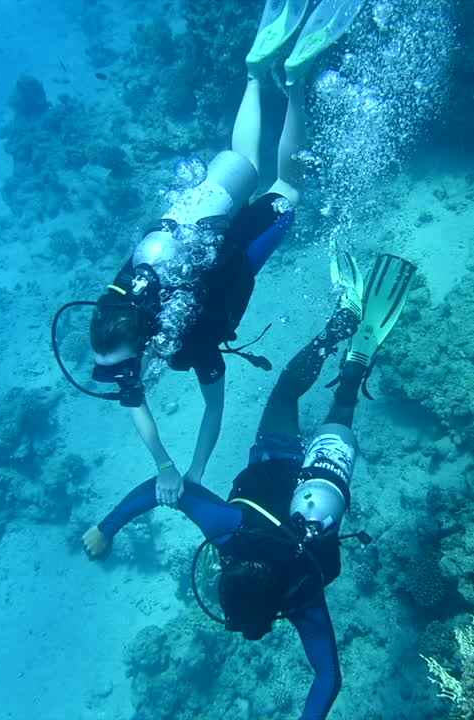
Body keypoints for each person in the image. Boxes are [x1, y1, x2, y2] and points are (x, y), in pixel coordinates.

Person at [83, 253, 418, 720]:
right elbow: (160, 491)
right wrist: (106, 528)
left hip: (317, 476)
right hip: (277, 455)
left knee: (337, 413)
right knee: (285, 392)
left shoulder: (302, 594)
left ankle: (353, 369)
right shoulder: (228, 532)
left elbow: (328, 677)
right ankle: (335, 330)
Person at [86, 0, 369, 507]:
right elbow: (133, 398)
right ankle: (256, 75)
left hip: (236, 253)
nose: (126, 379)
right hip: (193, 221)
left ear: (144, 342)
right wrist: (165, 464)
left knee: (287, 187)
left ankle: (297, 84)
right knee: (242, 162)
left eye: (124, 369)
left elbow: (213, 410)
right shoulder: (121, 303)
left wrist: (192, 471)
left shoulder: (187, 342)